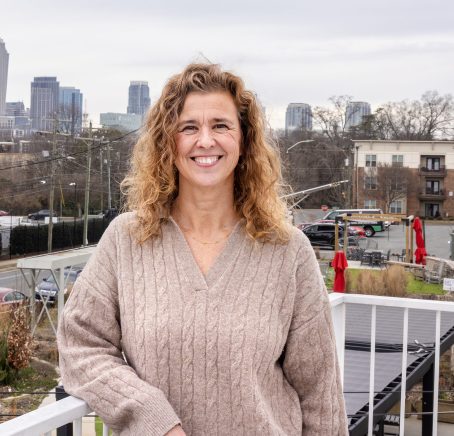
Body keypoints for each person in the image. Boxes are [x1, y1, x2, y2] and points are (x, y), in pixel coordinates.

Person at [57, 63, 348, 436]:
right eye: (189, 127)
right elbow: (80, 345)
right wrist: (152, 417)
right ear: (168, 142)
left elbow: (320, 395)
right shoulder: (126, 240)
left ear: (243, 141)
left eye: (221, 126)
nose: (205, 140)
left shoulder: (289, 251)